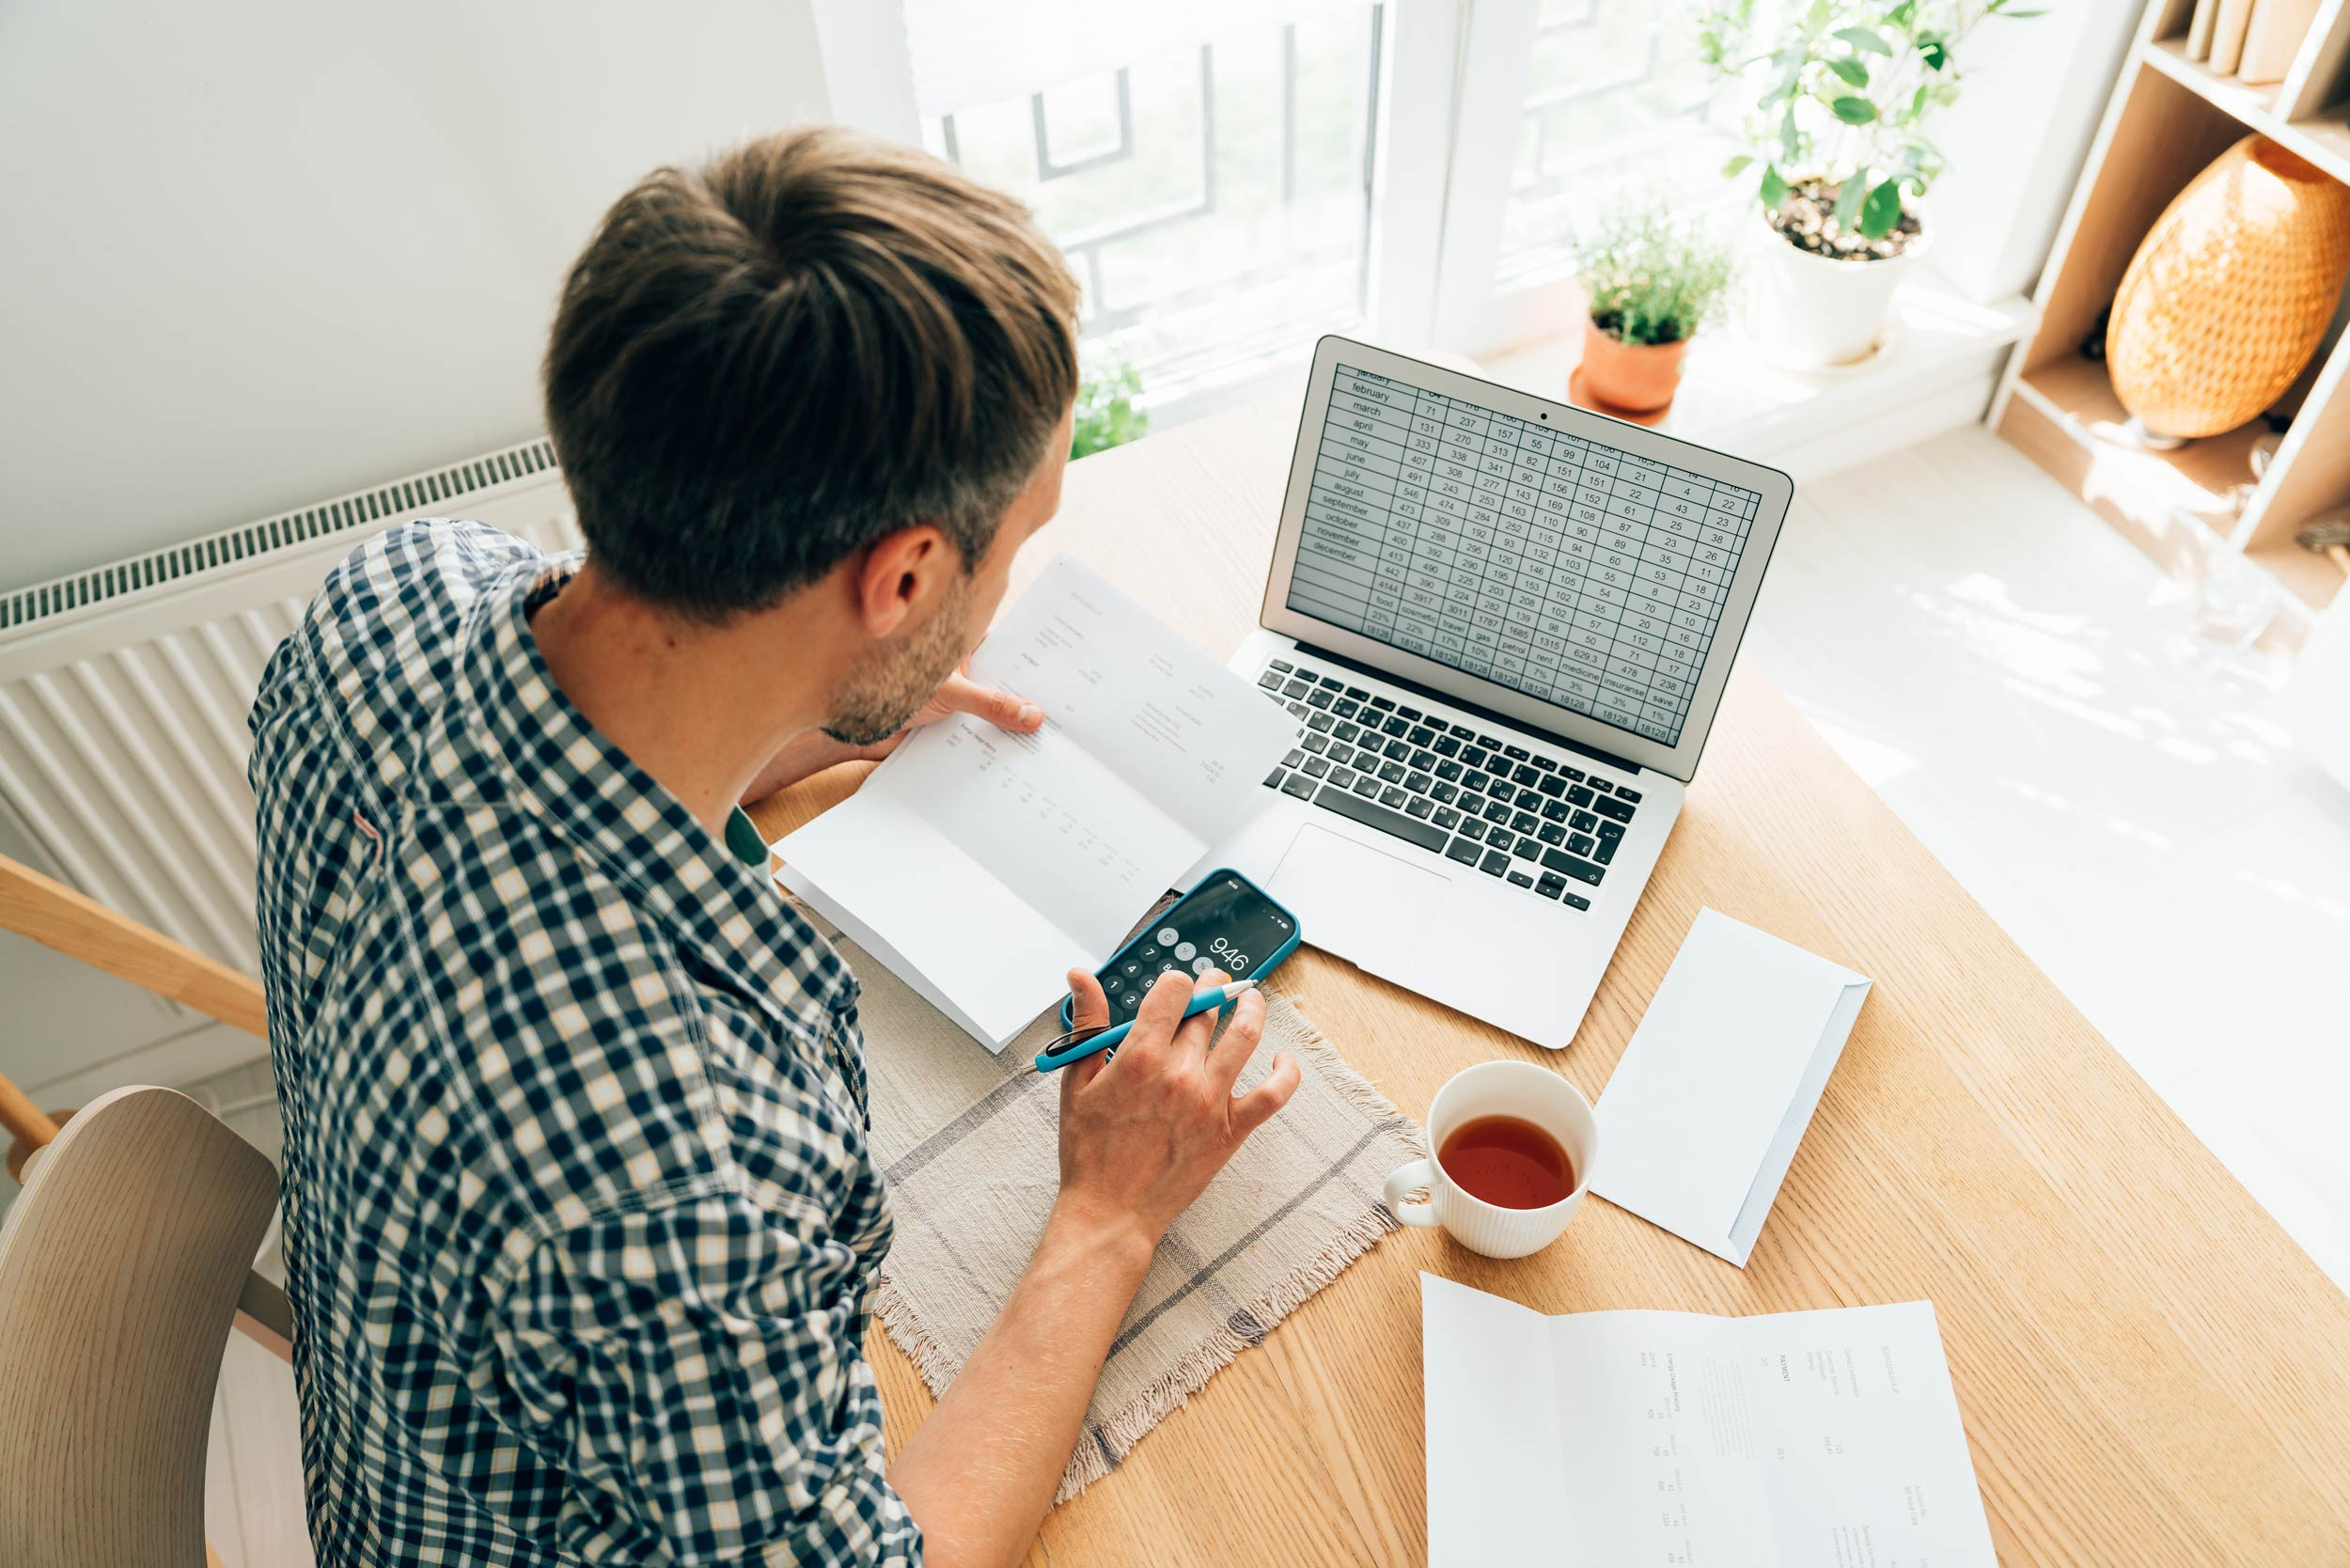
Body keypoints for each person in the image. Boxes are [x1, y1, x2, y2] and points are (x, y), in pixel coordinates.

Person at [247, 126, 1300, 1568]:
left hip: (394, 1416)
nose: (1000, 605)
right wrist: (1109, 1218)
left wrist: (813, 705)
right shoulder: (682, 1180)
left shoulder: (388, 596)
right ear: (906, 575)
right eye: (1012, 554)